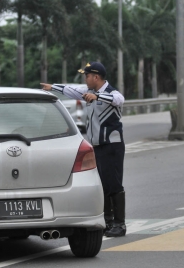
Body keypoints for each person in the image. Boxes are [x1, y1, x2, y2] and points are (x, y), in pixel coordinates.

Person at [40, 62, 127, 237]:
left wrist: (98, 98)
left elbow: (120, 100)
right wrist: (52, 87)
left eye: (87, 76)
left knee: (114, 184)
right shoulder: (90, 93)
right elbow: (70, 90)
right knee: (102, 184)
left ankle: (120, 224)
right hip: (97, 146)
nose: (85, 79)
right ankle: (108, 222)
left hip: (112, 145)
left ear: (96, 77)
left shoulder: (111, 93)